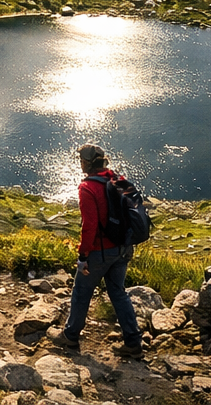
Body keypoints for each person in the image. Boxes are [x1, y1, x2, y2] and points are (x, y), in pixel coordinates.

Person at [53, 144, 144, 358]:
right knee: (118, 293)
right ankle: (133, 342)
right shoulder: (116, 179)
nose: (80, 163)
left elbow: (89, 226)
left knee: (81, 292)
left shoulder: (87, 188)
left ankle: (71, 336)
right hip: (123, 248)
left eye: (82, 160)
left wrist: (83, 256)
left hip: (100, 252)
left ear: (88, 163)